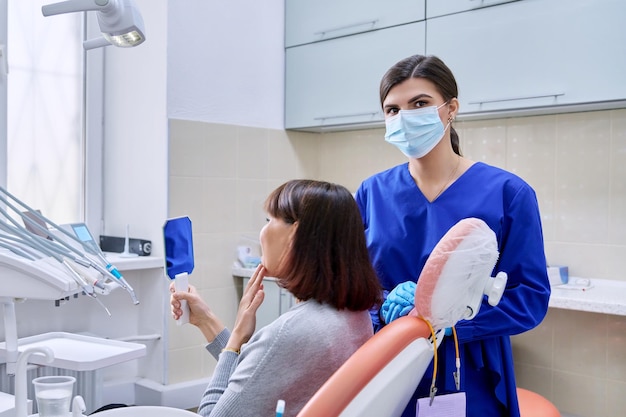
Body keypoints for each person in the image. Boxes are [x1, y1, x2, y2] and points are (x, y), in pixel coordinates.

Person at [355, 55, 551, 417]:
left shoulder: (509, 193)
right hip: (388, 361)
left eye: (419, 104)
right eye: (392, 109)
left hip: (470, 368)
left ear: (451, 109)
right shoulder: (371, 193)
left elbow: (530, 297)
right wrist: (383, 307)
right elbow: (351, 287)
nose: (405, 118)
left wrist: (448, 319)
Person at [170, 179, 382, 417]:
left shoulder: (291, 332)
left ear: (296, 234)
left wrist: (237, 338)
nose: (262, 232)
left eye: (269, 220)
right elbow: (259, 376)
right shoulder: (353, 316)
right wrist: (206, 320)